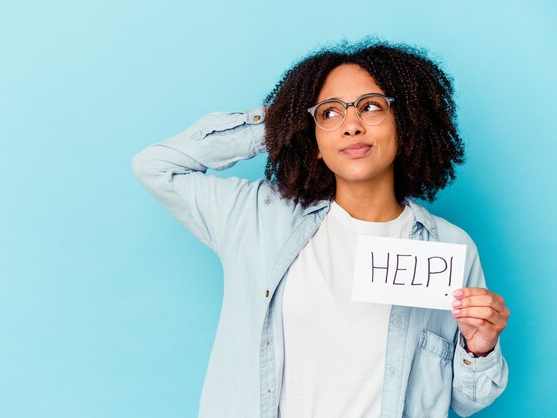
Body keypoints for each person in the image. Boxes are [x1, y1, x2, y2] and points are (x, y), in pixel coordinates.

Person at [133, 39, 509, 418]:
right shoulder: (257, 217)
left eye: (371, 107)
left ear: (405, 122)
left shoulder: (447, 247)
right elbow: (156, 166)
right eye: (329, 114)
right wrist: (282, 122)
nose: (351, 126)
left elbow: (468, 400)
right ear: (312, 138)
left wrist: (480, 348)